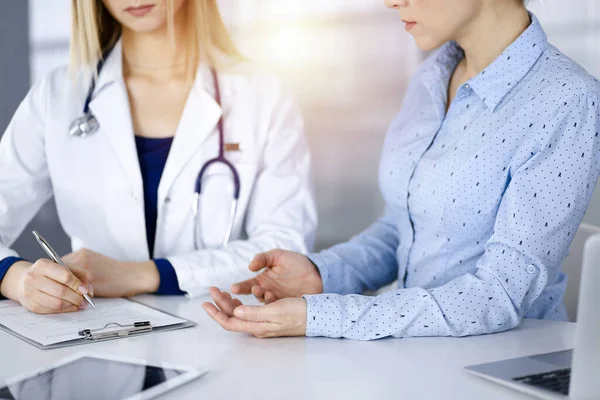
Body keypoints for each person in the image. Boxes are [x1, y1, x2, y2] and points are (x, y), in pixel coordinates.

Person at [203, 0, 600, 339]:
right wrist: (322, 274)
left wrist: (319, 316)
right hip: (415, 353)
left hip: (504, 363)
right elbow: (403, 227)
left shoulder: (567, 100)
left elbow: (498, 296)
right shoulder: (431, 75)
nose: (390, 1)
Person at [0, 0, 317, 314]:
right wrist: (14, 277)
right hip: (95, 328)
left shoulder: (262, 94)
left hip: (216, 330)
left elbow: (285, 247)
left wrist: (140, 274)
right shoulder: (57, 95)